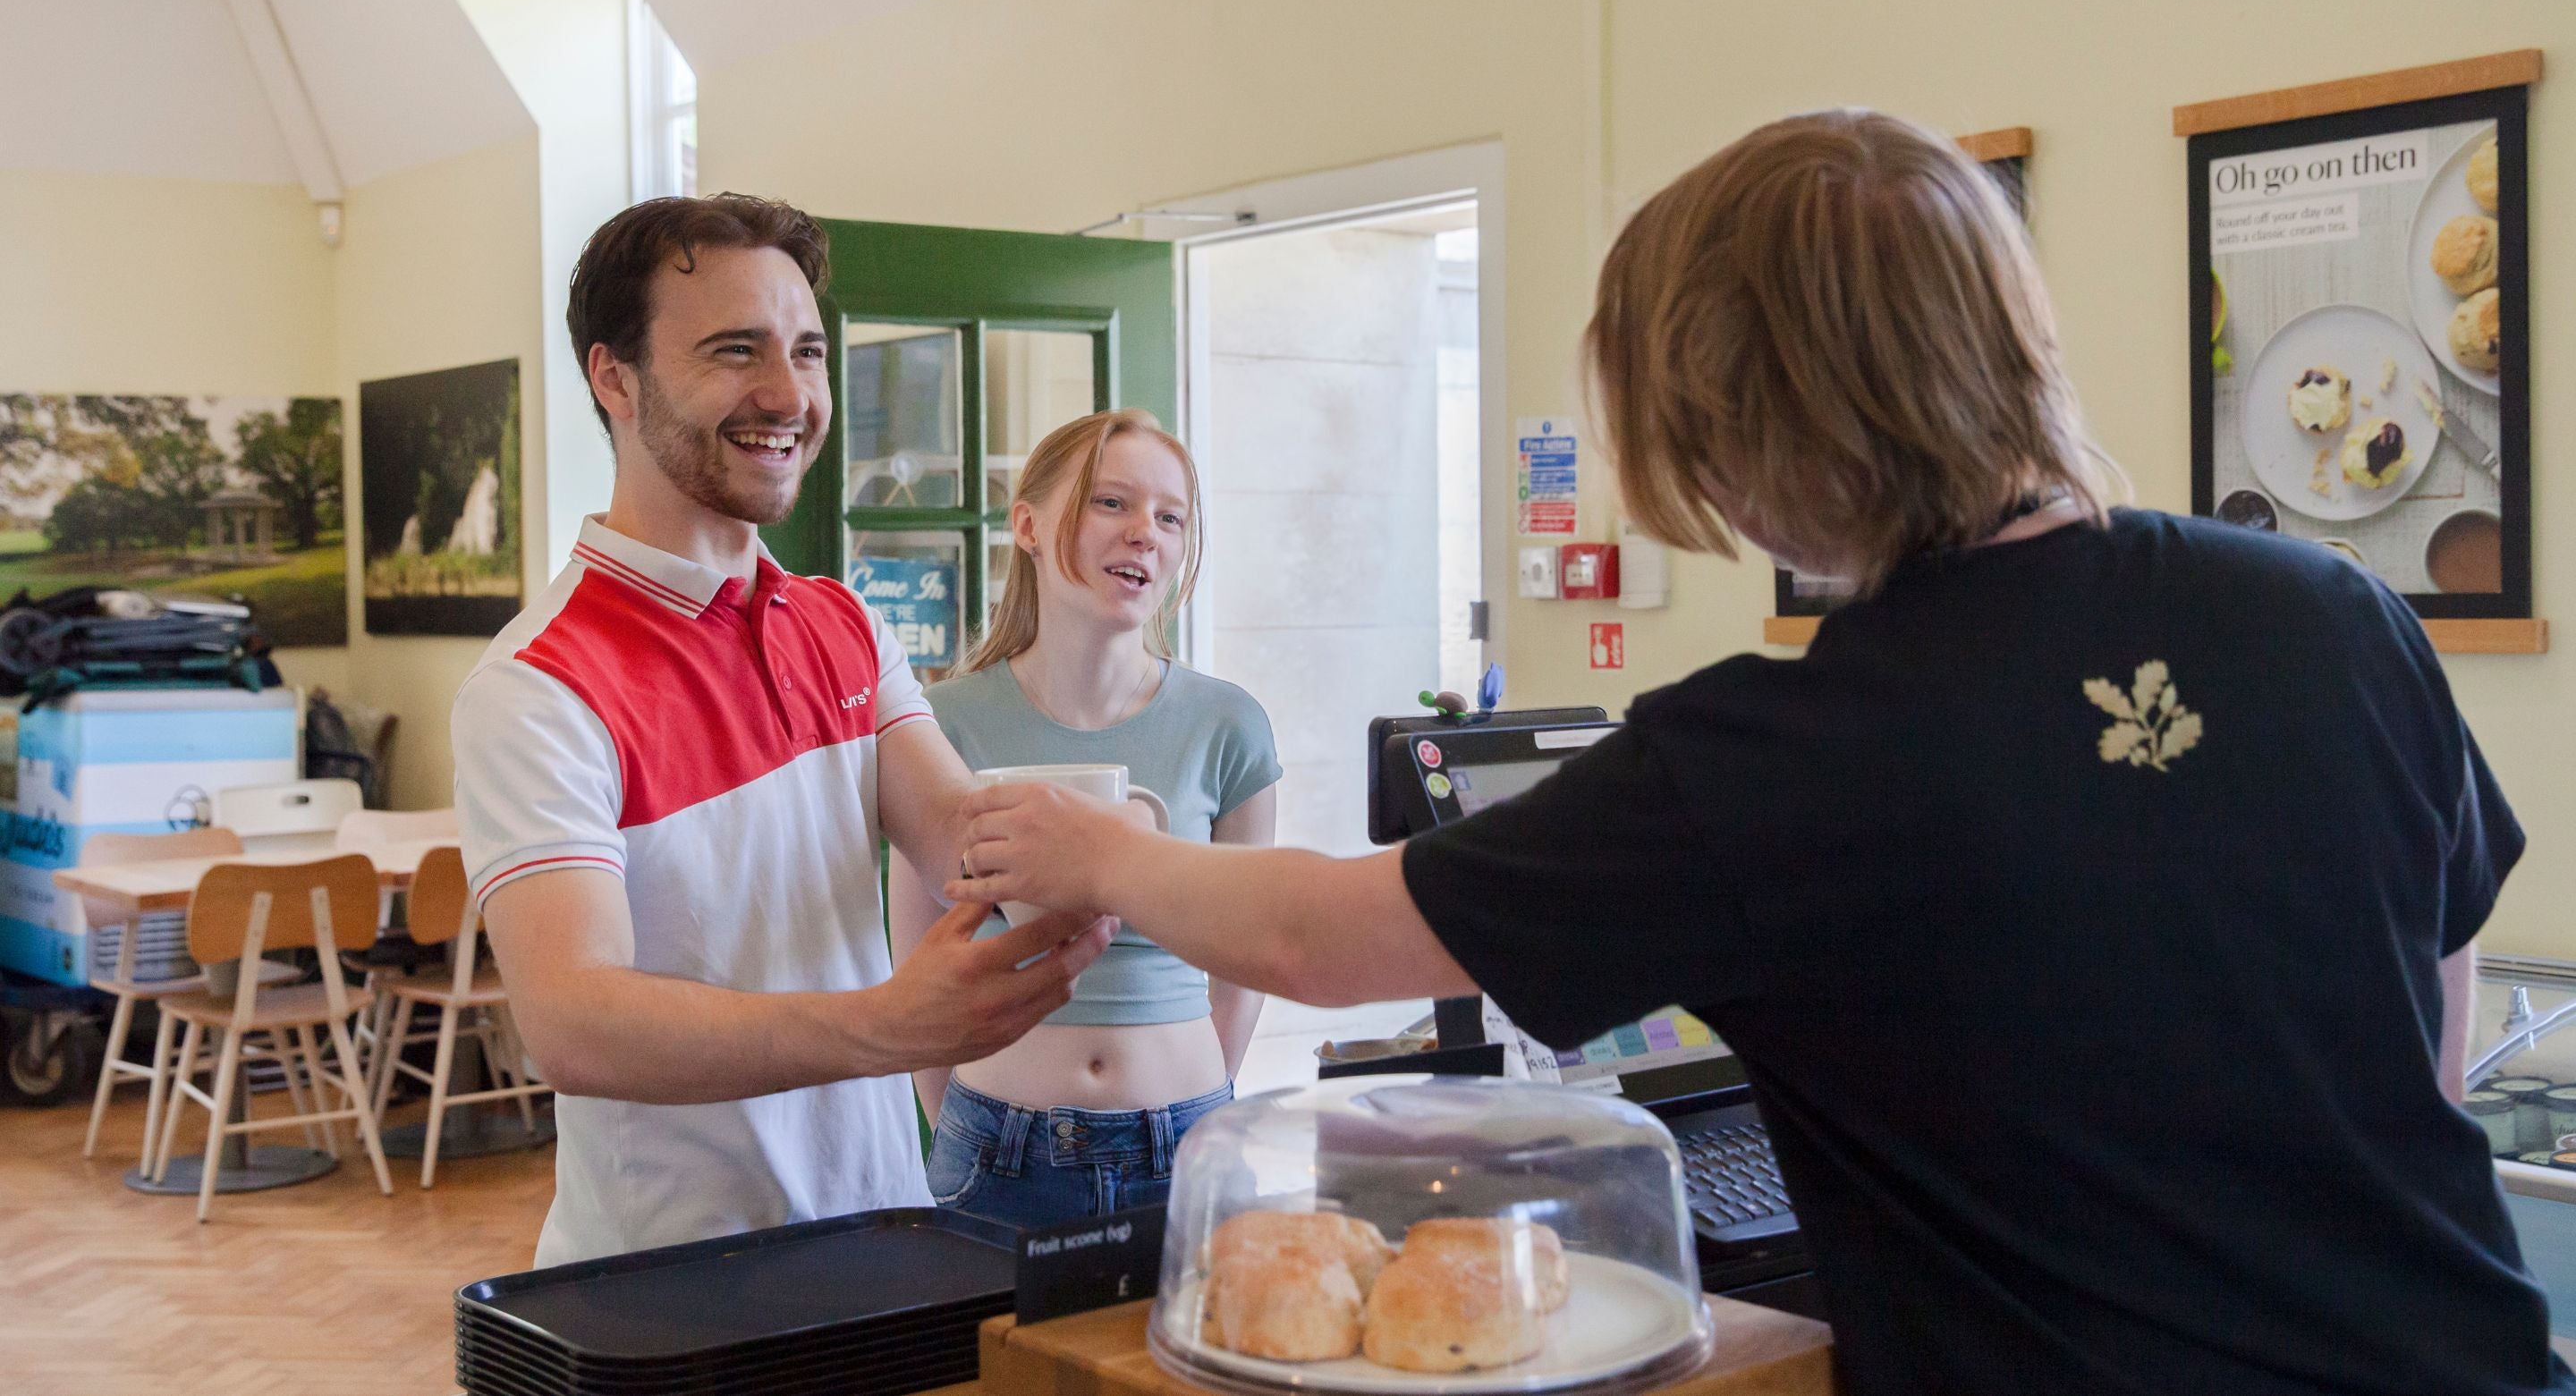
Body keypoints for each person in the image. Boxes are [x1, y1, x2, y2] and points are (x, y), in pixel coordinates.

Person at [948, 113, 2571, 1395]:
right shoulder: (2324, 604)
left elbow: (1323, 937)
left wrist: (1101, 854)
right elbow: (2439, 981)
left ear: (1747, 426)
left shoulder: (1777, 749)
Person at [452, 194, 1115, 1266]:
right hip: (671, 1285)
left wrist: (1124, 840)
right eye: (735, 351)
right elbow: (573, 1021)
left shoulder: (840, 622)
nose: (789, 395)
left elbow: (962, 843)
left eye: (807, 352)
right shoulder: (538, 684)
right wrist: (889, 1025)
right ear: (613, 378)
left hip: (876, 1235)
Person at [889, 409, 1278, 1228]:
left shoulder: (1230, 725)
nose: (1146, 533)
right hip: (995, 1143)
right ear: (1026, 525)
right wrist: (956, 1111)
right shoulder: (941, 724)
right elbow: (919, 953)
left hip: (1187, 1137)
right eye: (1112, 503)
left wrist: (1195, 1103)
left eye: (1171, 517)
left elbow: (1246, 960)